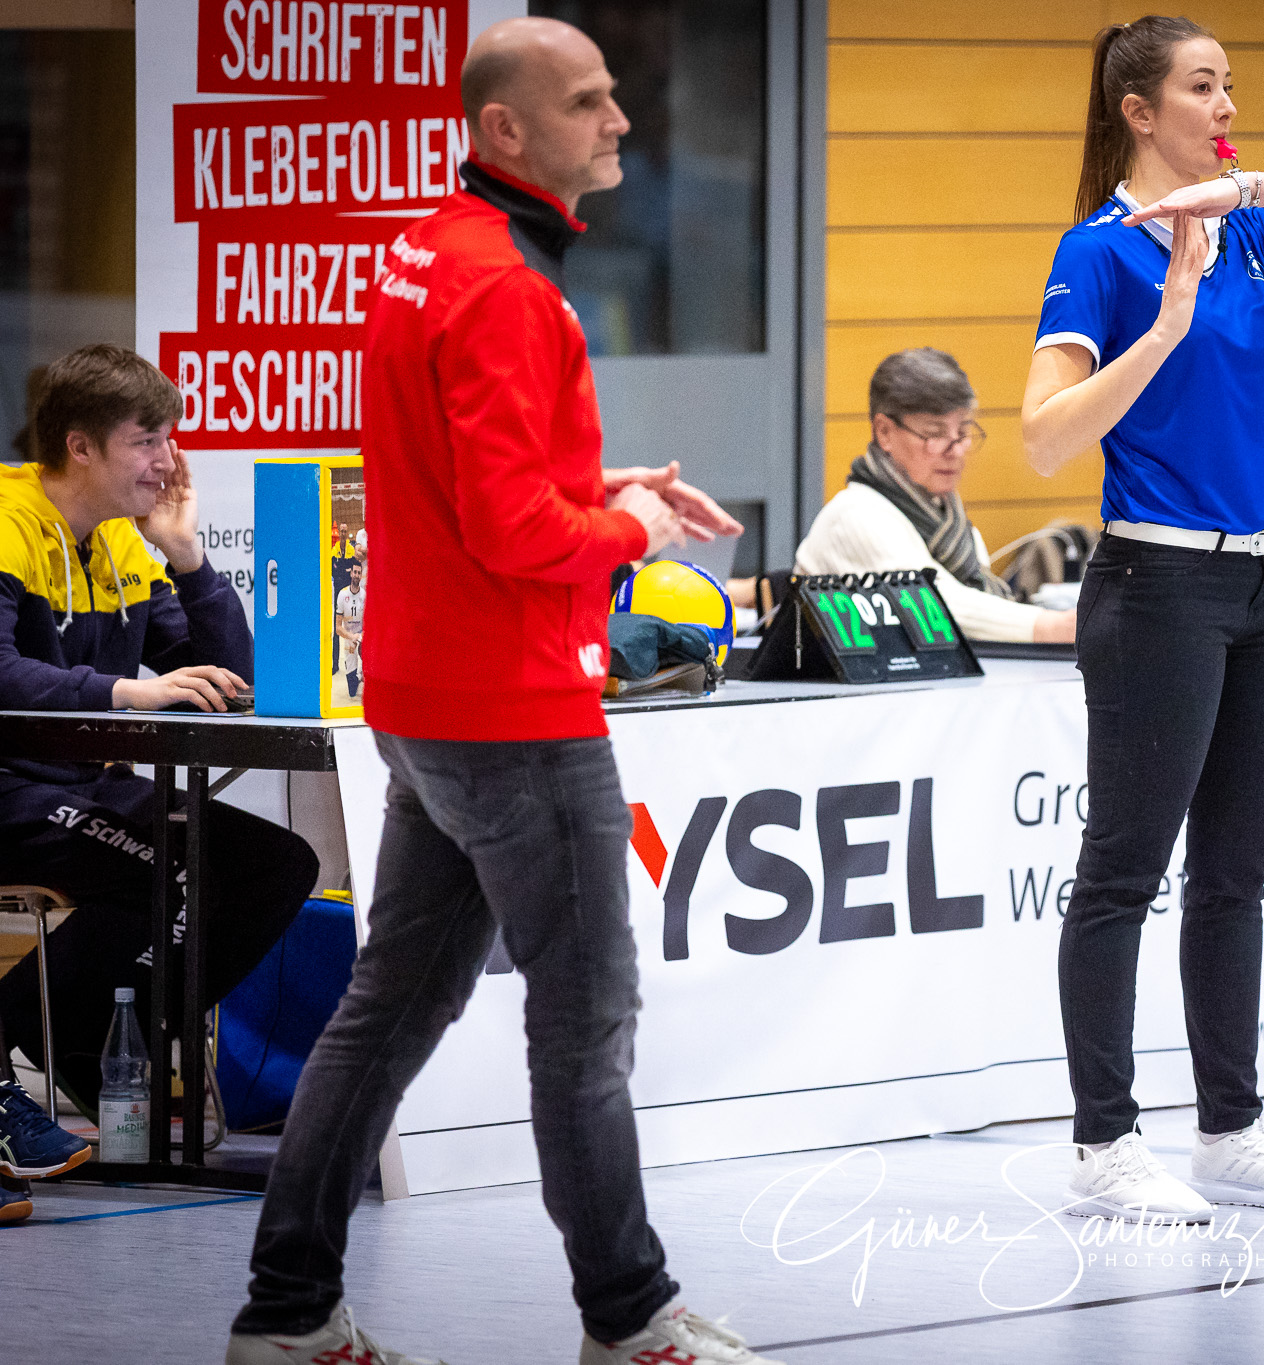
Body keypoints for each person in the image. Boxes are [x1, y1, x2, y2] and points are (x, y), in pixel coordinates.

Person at [225, 18, 779, 1365]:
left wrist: (610, 489)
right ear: (503, 132)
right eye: (588, 102)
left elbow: (478, 477)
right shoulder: (505, 289)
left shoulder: (424, 253)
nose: (622, 122)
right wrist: (629, 534)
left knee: (394, 1006)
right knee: (584, 1025)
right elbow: (512, 531)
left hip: (424, 693)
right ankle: (631, 1319)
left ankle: (288, 1313)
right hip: (514, 710)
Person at [1020, 15, 1264, 1222]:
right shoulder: (1099, 253)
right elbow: (1043, 438)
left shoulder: (1248, 231)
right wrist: (1169, 326)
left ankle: (1230, 1129)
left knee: (1234, 873)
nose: (1224, 102)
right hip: (1158, 591)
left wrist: (1241, 185)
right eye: (1202, 87)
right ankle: (1101, 1150)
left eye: (1230, 84)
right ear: (1138, 111)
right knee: (1121, 875)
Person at [0, 345, 319, 1220]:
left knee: (275, 864)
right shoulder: (7, 520)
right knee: (179, 865)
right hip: (12, 792)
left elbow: (229, 681)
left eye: (169, 438)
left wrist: (188, 559)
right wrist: (123, 689)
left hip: (87, 788)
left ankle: (75, 1025)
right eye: (147, 441)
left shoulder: (124, 542)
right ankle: (74, 1031)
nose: (168, 460)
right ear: (81, 448)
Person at [794, 347, 1077, 643]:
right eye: (935, 433)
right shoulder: (854, 516)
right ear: (884, 432)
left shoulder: (950, 521)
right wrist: (1054, 626)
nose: (954, 450)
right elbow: (936, 607)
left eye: (963, 432)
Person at [334, 560, 364, 700]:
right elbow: (338, 628)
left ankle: (365, 670)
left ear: (361, 575)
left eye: (359, 573)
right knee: (352, 691)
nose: (356, 575)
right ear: (351, 573)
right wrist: (351, 637)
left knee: (365, 649)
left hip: (362, 634)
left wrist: (360, 636)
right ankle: (358, 675)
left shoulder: (365, 595)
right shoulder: (342, 595)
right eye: (355, 572)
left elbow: (370, 623)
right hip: (348, 636)